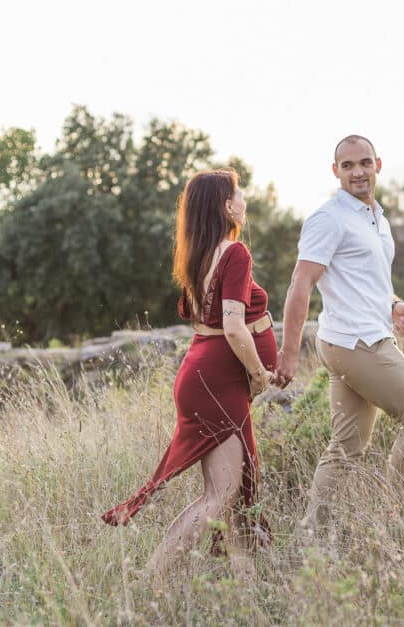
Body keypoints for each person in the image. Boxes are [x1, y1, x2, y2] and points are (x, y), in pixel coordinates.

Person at [102, 168, 277, 576]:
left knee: (232, 492)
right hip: (218, 381)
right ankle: (152, 576)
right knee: (221, 494)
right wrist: (258, 374)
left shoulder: (199, 255)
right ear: (226, 205)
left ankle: (246, 586)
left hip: (203, 374)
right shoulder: (235, 253)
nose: (245, 200)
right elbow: (233, 325)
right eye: (240, 194)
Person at [275, 135, 404, 529]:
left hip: (357, 336)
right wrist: (289, 353)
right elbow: (301, 283)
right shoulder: (328, 218)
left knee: (346, 447)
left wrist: (394, 305)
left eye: (364, 163)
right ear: (335, 172)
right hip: (357, 343)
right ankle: (398, 521)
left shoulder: (377, 219)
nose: (358, 172)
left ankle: (313, 537)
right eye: (347, 166)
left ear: (378, 165)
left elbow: (368, 283)